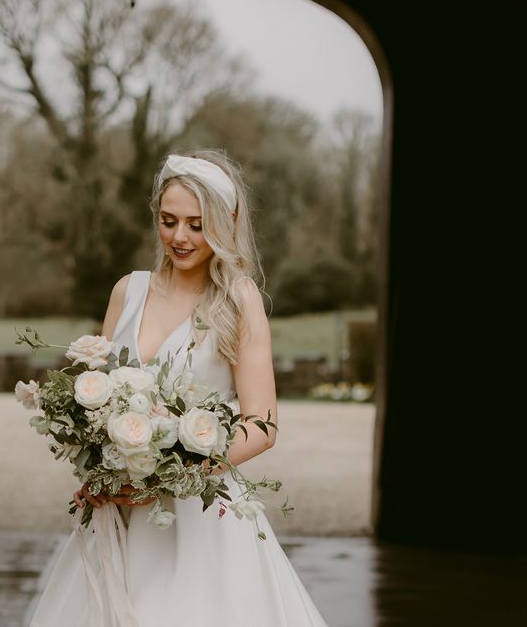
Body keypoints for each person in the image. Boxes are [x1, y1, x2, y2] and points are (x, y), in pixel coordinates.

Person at [27, 149, 329, 627]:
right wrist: (99, 464)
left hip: (200, 514)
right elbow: (96, 394)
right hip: (119, 508)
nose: (180, 237)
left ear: (224, 223)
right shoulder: (128, 291)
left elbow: (263, 424)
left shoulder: (238, 300)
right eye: (169, 221)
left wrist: (176, 473)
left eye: (196, 224)